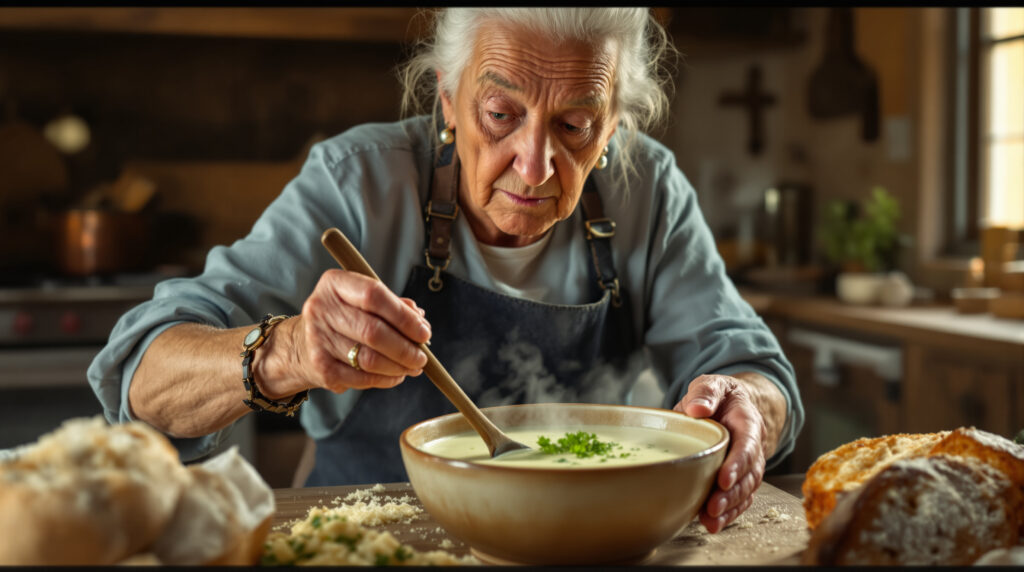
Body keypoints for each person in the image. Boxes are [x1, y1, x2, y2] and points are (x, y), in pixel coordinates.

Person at [88, 7, 803, 534]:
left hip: (592, 542)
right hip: (373, 535)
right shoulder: (356, 181)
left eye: (575, 126)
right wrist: (290, 351)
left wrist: (749, 404)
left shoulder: (651, 191)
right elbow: (141, 379)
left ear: (612, 126)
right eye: (500, 113)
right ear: (449, 102)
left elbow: (748, 364)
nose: (534, 165)